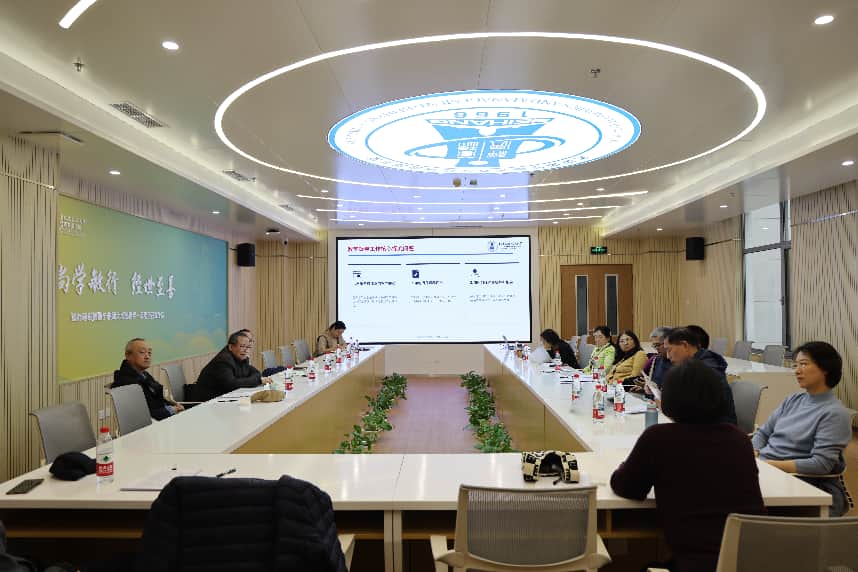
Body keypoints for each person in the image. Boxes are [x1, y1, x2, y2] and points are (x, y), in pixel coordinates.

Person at [610, 361, 765, 572]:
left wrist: (623, 467)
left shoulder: (659, 438)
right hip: (753, 560)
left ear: (670, 398)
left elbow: (627, 488)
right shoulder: (739, 439)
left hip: (698, 563)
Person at [752, 341, 853, 516]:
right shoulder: (792, 400)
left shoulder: (835, 413)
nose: (797, 371)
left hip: (800, 482)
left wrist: (767, 465)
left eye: (804, 364)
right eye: (795, 365)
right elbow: (764, 432)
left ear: (825, 369)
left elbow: (820, 465)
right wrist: (753, 452)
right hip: (767, 471)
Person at [664, 327, 737, 424]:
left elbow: (696, 412)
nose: (668, 356)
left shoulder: (705, 370)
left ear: (684, 345)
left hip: (716, 429)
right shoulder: (695, 364)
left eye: (669, 350)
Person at [111, 338, 183, 420]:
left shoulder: (143, 374)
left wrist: (173, 405)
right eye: (142, 352)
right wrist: (173, 409)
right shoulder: (126, 382)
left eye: (149, 353)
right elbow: (144, 414)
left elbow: (158, 398)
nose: (147, 356)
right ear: (128, 355)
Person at [195, 331, 268, 401]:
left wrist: (255, 379)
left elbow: (256, 373)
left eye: (248, 347)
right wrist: (258, 380)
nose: (246, 350)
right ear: (230, 347)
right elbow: (232, 385)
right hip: (208, 402)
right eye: (242, 346)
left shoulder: (241, 357)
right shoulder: (223, 361)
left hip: (225, 398)